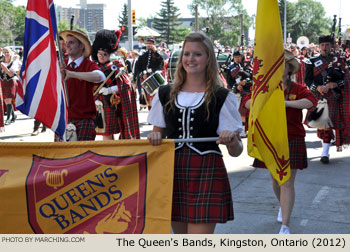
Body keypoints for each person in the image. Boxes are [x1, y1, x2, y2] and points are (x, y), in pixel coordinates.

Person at [147, 32, 243, 234]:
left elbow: (236, 151)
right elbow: (157, 135)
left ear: (208, 58)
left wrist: (231, 142)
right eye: (187, 54)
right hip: (172, 171)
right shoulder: (164, 94)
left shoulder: (221, 96)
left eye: (197, 54)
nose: (190, 59)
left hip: (206, 171)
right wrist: (155, 137)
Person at [244, 50, 317, 234]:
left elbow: (311, 101)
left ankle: (285, 225)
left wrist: (284, 104)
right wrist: (264, 101)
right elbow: (245, 103)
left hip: (292, 137)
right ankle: (282, 206)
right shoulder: (263, 87)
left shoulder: (297, 88)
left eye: (282, 64)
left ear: (288, 69)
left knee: (286, 182)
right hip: (270, 138)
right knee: (276, 181)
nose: (278, 68)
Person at [58, 29, 106, 141]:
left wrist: (72, 74)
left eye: (72, 42)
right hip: (63, 118)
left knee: (82, 157)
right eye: (66, 42)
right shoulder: (60, 63)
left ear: (81, 46)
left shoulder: (89, 64)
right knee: (61, 157)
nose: (67, 45)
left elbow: (100, 77)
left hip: (85, 119)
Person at [91, 29, 140, 140]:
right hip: (98, 104)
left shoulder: (116, 66)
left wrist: (110, 90)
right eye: (99, 54)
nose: (101, 56)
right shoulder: (94, 67)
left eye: (104, 54)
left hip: (112, 104)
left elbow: (126, 85)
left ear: (109, 54)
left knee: (108, 133)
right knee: (104, 133)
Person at [305, 35, 346, 163]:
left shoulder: (339, 60)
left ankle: (325, 150)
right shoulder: (311, 61)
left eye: (327, 45)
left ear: (331, 46)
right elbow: (307, 80)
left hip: (333, 96)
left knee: (329, 124)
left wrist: (336, 84)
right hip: (320, 96)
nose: (325, 47)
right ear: (319, 46)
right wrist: (317, 88)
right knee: (323, 125)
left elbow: (345, 79)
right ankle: (325, 150)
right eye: (322, 45)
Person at [134, 37, 164, 110]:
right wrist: (142, 74)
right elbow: (138, 67)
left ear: (154, 44)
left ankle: (155, 116)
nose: (149, 45)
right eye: (148, 43)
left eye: (151, 44)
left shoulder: (158, 55)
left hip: (155, 79)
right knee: (147, 98)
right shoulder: (143, 56)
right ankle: (150, 114)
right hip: (145, 79)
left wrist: (156, 52)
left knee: (155, 98)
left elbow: (160, 64)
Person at [0, 47, 19, 125]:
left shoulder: (14, 62)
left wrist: (4, 68)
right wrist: (3, 69)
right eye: (5, 52)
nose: (6, 54)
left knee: (8, 100)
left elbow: (11, 74)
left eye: (8, 52)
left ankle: (8, 118)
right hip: (2, 82)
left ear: (10, 53)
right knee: (5, 100)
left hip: (11, 81)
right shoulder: (1, 62)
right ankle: (13, 115)